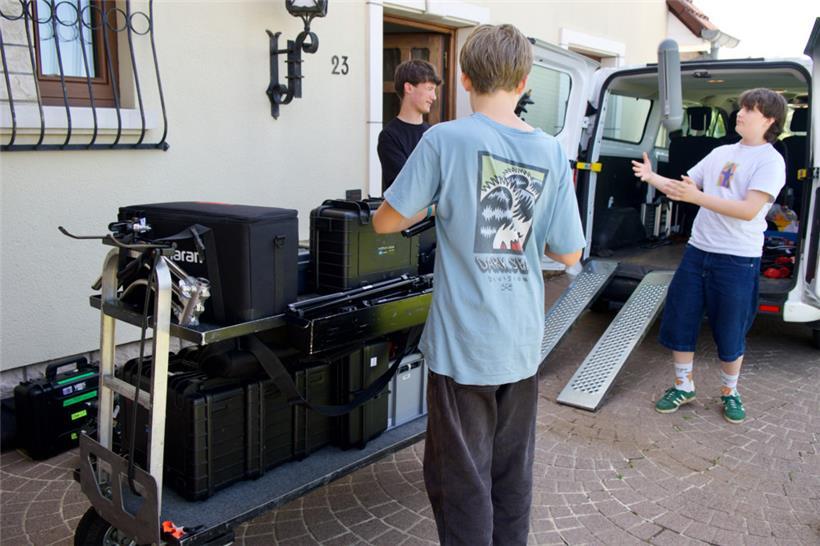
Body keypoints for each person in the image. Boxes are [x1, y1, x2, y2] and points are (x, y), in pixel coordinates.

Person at [372, 24, 585, 545]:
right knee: (511, 476)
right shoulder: (553, 152)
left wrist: (438, 200)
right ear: (525, 81)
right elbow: (569, 252)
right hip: (520, 342)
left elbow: (385, 221)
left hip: (463, 345)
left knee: (459, 481)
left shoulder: (444, 138)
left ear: (464, 77)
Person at [631, 88, 787, 424]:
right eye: (741, 107)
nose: (740, 113)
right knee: (681, 319)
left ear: (770, 119)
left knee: (731, 330)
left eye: (750, 109)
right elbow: (684, 188)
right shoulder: (721, 152)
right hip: (697, 252)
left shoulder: (771, 161)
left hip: (737, 259)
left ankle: (730, 391)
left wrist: (697, 198)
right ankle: (683, 386)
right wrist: (652, 176)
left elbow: (748, 210)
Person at [378, 59, 442, 193]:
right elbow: (406, 188)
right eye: (430, 89)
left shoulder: (433, 133)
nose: (434, 97)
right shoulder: (389, 136)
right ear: (408, 88)